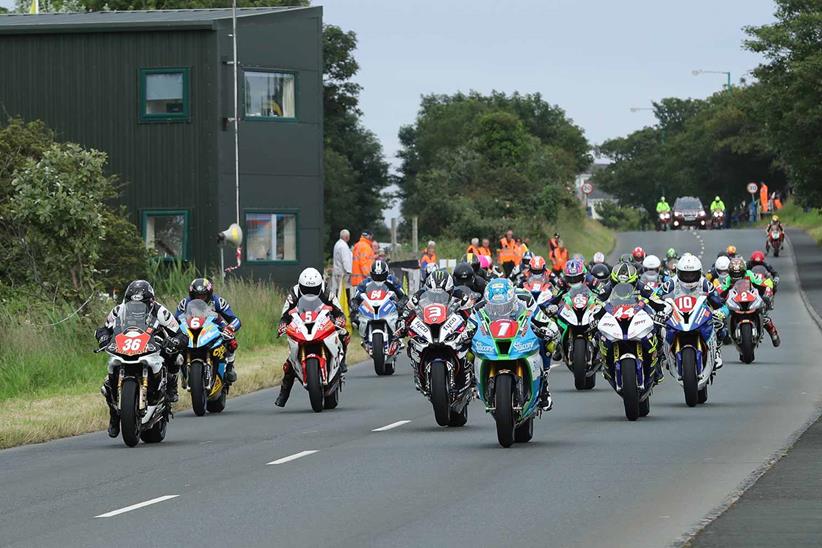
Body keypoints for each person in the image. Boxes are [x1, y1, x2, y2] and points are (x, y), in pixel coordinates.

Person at [95, 280, 188, 437]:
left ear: (150, 301)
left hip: (153, 347)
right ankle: (114, 416)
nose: (136, 307)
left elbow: (180, 334)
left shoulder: (161, 312)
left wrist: (175, 341)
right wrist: (104, 338)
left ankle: (171, 385)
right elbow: (103, 329)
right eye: (132, 303)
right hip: (126, 347)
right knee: (107, 384)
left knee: (175, 356)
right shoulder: (118, 311)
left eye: (141, 304)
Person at [475, 278, 557, 411]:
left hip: (519, 335)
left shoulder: (525, 298)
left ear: (512, 299)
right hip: (494, 339)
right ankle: (473, 381)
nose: (500, 309)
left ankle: (544, 385)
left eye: (504, 305)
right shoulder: (481, 306)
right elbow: (470, 324)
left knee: (546, 341)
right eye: (496, 306)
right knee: (467, 344)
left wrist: (549, 328)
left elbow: (541, 318)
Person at [275, 268, 350, 407]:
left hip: (323, 322)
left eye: (313, 289)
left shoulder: (326, 291)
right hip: (301, 324)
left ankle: (342, 361)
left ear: (319, 285)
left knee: (344, 335)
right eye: (306, 289)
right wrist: (282, 325)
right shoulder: (294, 293)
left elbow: (339, 311)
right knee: (290, 362)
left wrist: (339, 320)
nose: (310, 292)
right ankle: (283, 393)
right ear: (301, 286)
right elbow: (285, 314)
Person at [660, 254, 729, 368]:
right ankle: (661, 354)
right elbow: (655, 296)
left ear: (699, 272)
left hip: (699, 316)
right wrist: (656, 310)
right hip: (677, 316)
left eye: (692, 274)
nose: (689, 278)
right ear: (678, 273)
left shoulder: (705, 284)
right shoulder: (671, 283)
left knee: (720, 324)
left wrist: (720, 313)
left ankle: (716, 350)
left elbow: (721, 304)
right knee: (658, 328)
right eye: (685, 274)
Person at [175, 278, 242, 391]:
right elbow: (175, 320)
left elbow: (234, 319)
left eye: (203, 295)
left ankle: (229, 366)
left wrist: (230, 328)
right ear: (192, 295)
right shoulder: (184, 303)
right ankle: (181, 373)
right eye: (197, 296)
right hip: (191, 330)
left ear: (209, 294)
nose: (200, 298)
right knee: (175, 347)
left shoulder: (218, 301)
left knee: (232, 341)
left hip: (213, 327)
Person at [724, 257, 780, 347]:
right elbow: (719, 290)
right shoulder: (727, 279)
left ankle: (773, 332)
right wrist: (718, 297)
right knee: (721, 318)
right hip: (735, 302)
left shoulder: (750, 274)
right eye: (734, 274)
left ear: (744, 271)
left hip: (750, 298)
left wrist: (767, 294)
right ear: (730, 273)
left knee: (764, 316)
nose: (736, 276)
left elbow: (765, 282)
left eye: (739, 274)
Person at [350, 259, 407, 328]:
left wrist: (400, 304)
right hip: (371, 309)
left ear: (386, 273)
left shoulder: (392, 280)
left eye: (381, 276)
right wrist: (354, 305)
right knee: (354, 318)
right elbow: (356, 297)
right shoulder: (366, 282)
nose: (379, 279)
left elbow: (403, 297)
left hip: (389, 308)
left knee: (403, 319)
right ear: (371, 274)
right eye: (376, 276)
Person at [330, 229, 353, 300]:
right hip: (343, 273)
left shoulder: (337, 244)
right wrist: (349, 272)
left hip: (337, 271)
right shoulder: (344, 246)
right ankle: (345, 307)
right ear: (346, 237)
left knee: (337, 290)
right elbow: (346, 260)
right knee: (345, 291)